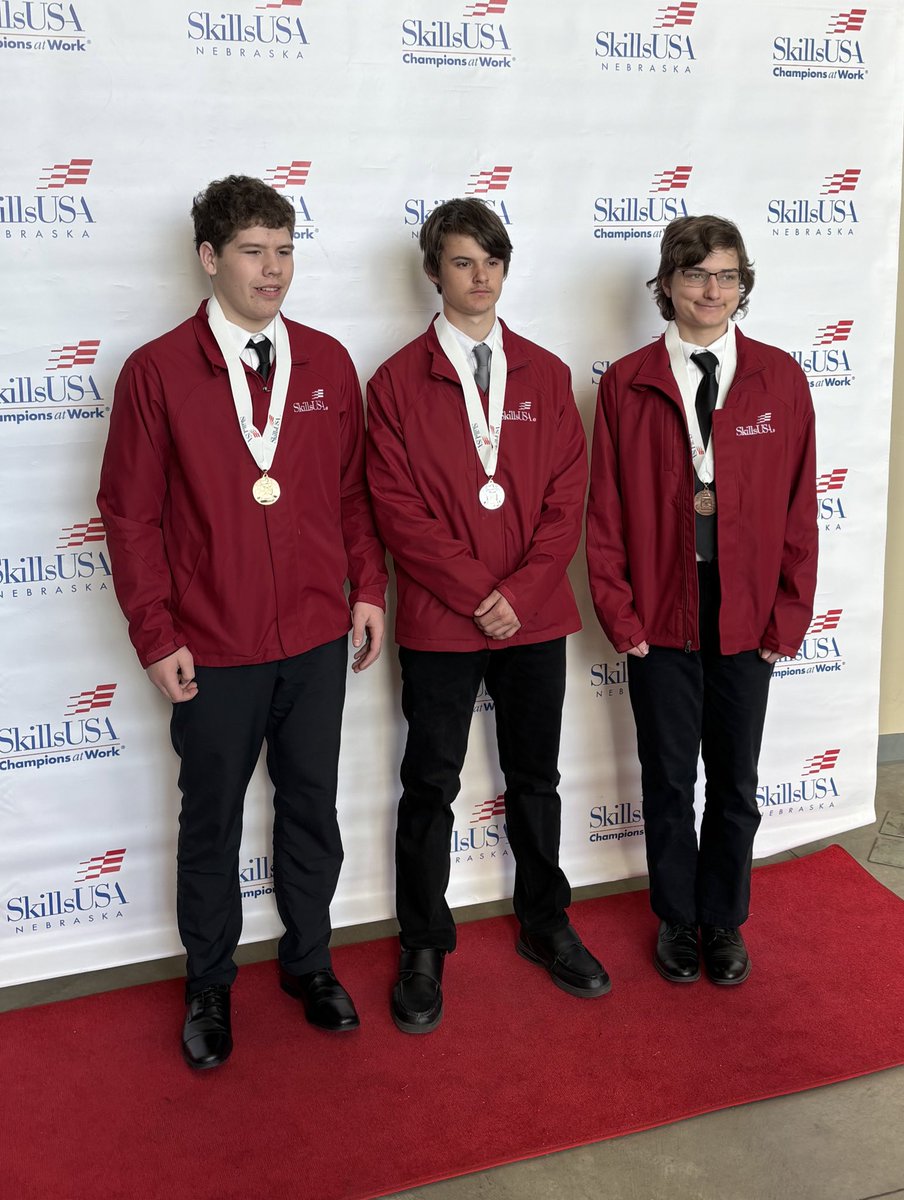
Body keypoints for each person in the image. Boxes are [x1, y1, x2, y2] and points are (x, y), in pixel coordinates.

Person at [98, 175, 387, 1069]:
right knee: (212, 821)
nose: (275, 269)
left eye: (286, 250)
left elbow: (350, 495)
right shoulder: (156, 372)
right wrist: (156, 636)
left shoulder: (330, 364)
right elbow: (129, 515)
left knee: (312, 811)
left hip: (312, 638)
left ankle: (308, 964)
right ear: (209, 257)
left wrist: (367, 589)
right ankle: (211, 986)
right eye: (255, 252)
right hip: (212, 648)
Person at [366, 198, 609, 1034]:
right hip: (443, 619)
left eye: (492, 261)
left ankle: (546, 922)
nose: (480, 277)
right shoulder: (395, 382)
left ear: (507, 270)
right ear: (434, 272)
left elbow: (565, 499)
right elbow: (396, 509)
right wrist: (478, 592)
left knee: (535, 778)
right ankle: (425, 944)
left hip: (534, 618)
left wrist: (525, 591)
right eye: (463, 262)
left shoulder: (545, 373)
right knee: (430, 782)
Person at [586, 215, 817, 987]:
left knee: (737, 782)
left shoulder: (780, 377)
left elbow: (798, 508)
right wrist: (621, 615)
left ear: (742, 285)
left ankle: (724, 921)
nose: (711, 291)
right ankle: (677, 920)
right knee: (668, 778)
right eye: (695, 276)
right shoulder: (626, 381)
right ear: (667, 286)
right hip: (661, 608)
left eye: (726, 277)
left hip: (748, 612)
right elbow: (606, 512)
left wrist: (788, 614)